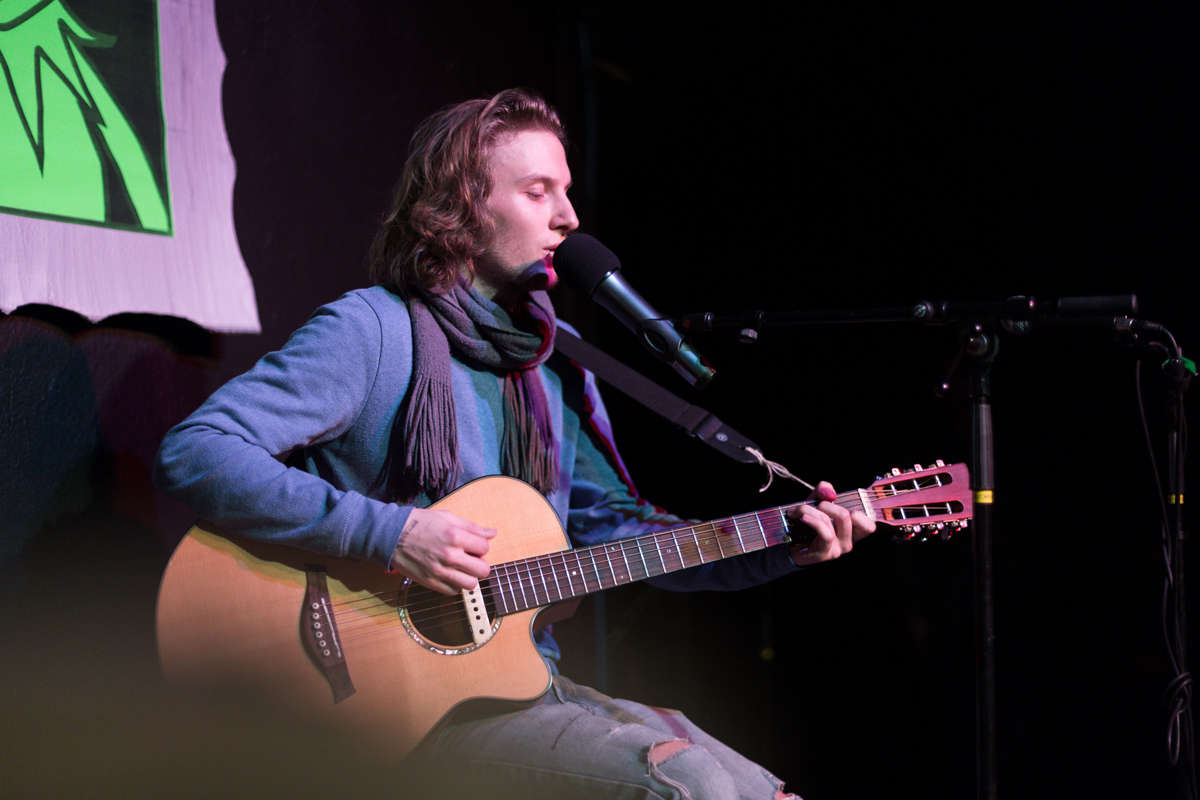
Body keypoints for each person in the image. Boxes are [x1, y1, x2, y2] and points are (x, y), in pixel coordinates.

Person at [154, 88, 875, 799]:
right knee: (688, 784)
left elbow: (620, 532)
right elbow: (197, 450)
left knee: (759, 791)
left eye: (566, 191)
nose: (569, 217)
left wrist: (781, 543)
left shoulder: (559, 360)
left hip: (517, 683)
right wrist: (391, 533)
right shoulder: (371, 330)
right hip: (389, 711)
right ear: (462, 206)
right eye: (538, 192)